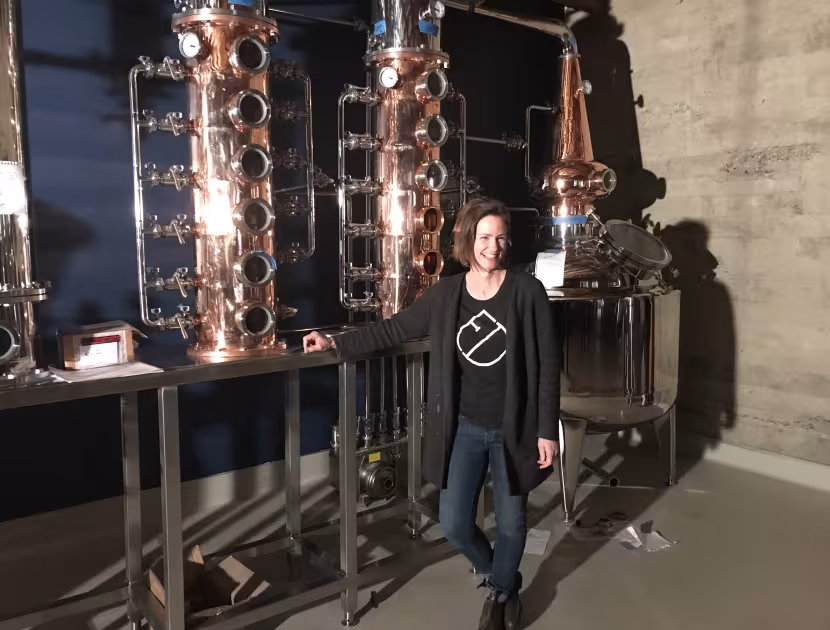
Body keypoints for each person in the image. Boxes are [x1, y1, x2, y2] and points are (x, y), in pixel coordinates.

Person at [304, 197, 560, 630]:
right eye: (484, 237)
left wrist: (546, 430)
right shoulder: (446, 294)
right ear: (467, 240)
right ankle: (505, 576)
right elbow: (396, 328)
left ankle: (500, 594)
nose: (492, 246)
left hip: (514, 427)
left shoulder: (525, 292)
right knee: (455, 522)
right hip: (464, 427)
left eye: (500, 238)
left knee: (513, 522)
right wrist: (337, 342)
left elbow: (549, 364)